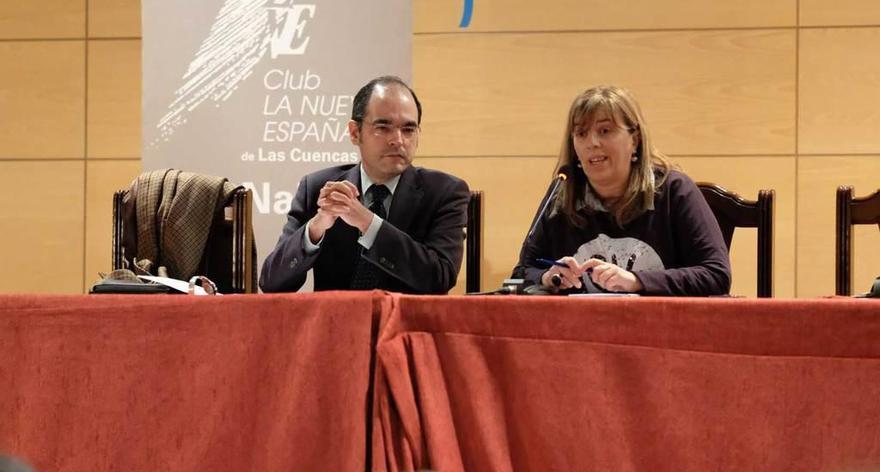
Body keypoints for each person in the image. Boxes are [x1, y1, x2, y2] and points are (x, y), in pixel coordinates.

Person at [511, 85, 731, 296]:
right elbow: (518, 277)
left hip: (661, 329)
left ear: (634, 139)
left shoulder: (674, 190)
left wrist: (637, 281)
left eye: (605, 131)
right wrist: (547, 278)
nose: (592, 143)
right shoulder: (562, 192)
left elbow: (716, 275)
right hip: (579, 332)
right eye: (581, 133)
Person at [260, 76, 469, 294]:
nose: (397, 140)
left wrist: (368, 223)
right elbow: (271, 283)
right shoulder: (317, 188)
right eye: (383, 127)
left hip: (409, 325)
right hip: (335, 324)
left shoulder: (444, 192)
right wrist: (316, 228)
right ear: (354, 132)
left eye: (408, 129)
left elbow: (439, 278)